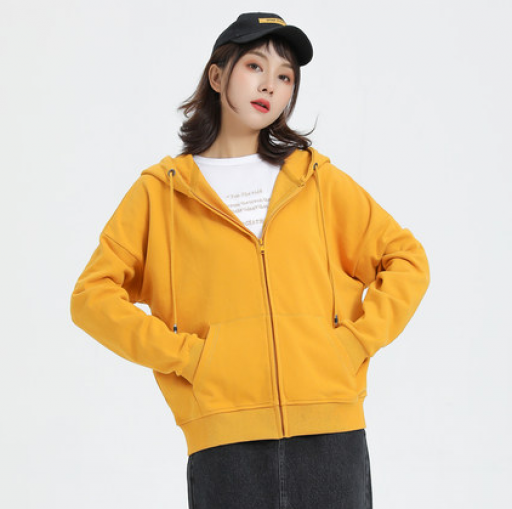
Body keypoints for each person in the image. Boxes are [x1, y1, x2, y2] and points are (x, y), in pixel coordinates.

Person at [70, 12, 430, 509]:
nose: (270, 85)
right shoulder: (162, 193)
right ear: (218, 76)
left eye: (285, 76)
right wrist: (188, 358)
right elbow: (91, 298)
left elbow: (406, 258)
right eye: (255, 66)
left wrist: (353, 345)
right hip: (226, 446)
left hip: (332, 438)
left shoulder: (317, 181)